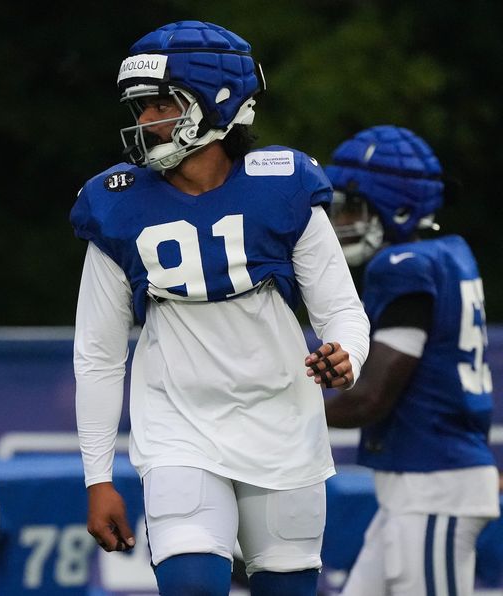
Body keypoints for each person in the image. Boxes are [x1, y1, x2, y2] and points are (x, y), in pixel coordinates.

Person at [70, 20, 370, 596]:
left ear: (217, 103)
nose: (144, 121)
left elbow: (343, 312)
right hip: (178, 429)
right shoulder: (117, 204)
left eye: (161, 104)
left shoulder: (282, 184)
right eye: (140, 107)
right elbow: (99, 354)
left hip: (283, 422)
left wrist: (346, 356)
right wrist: (97, 478)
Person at [323, 125, 500, 595]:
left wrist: (281, 411)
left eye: (353, 208)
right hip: (417, 487)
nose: (340, 222)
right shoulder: (449, 255)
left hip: (435, 485)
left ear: (398, 207)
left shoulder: (403, 266)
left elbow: (372, 397)